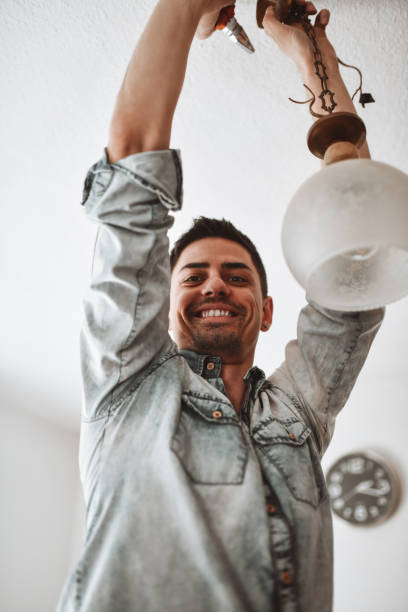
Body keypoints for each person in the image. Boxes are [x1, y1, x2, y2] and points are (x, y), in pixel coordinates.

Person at [57, 1, 383, 611]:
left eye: (236, 277)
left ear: (264, 310)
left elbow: (356, 247)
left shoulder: (299, 412)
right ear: (160, 302)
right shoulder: (123, 389)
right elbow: (130, 172)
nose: (214, 286)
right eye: (194, 276)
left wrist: (309, 56)